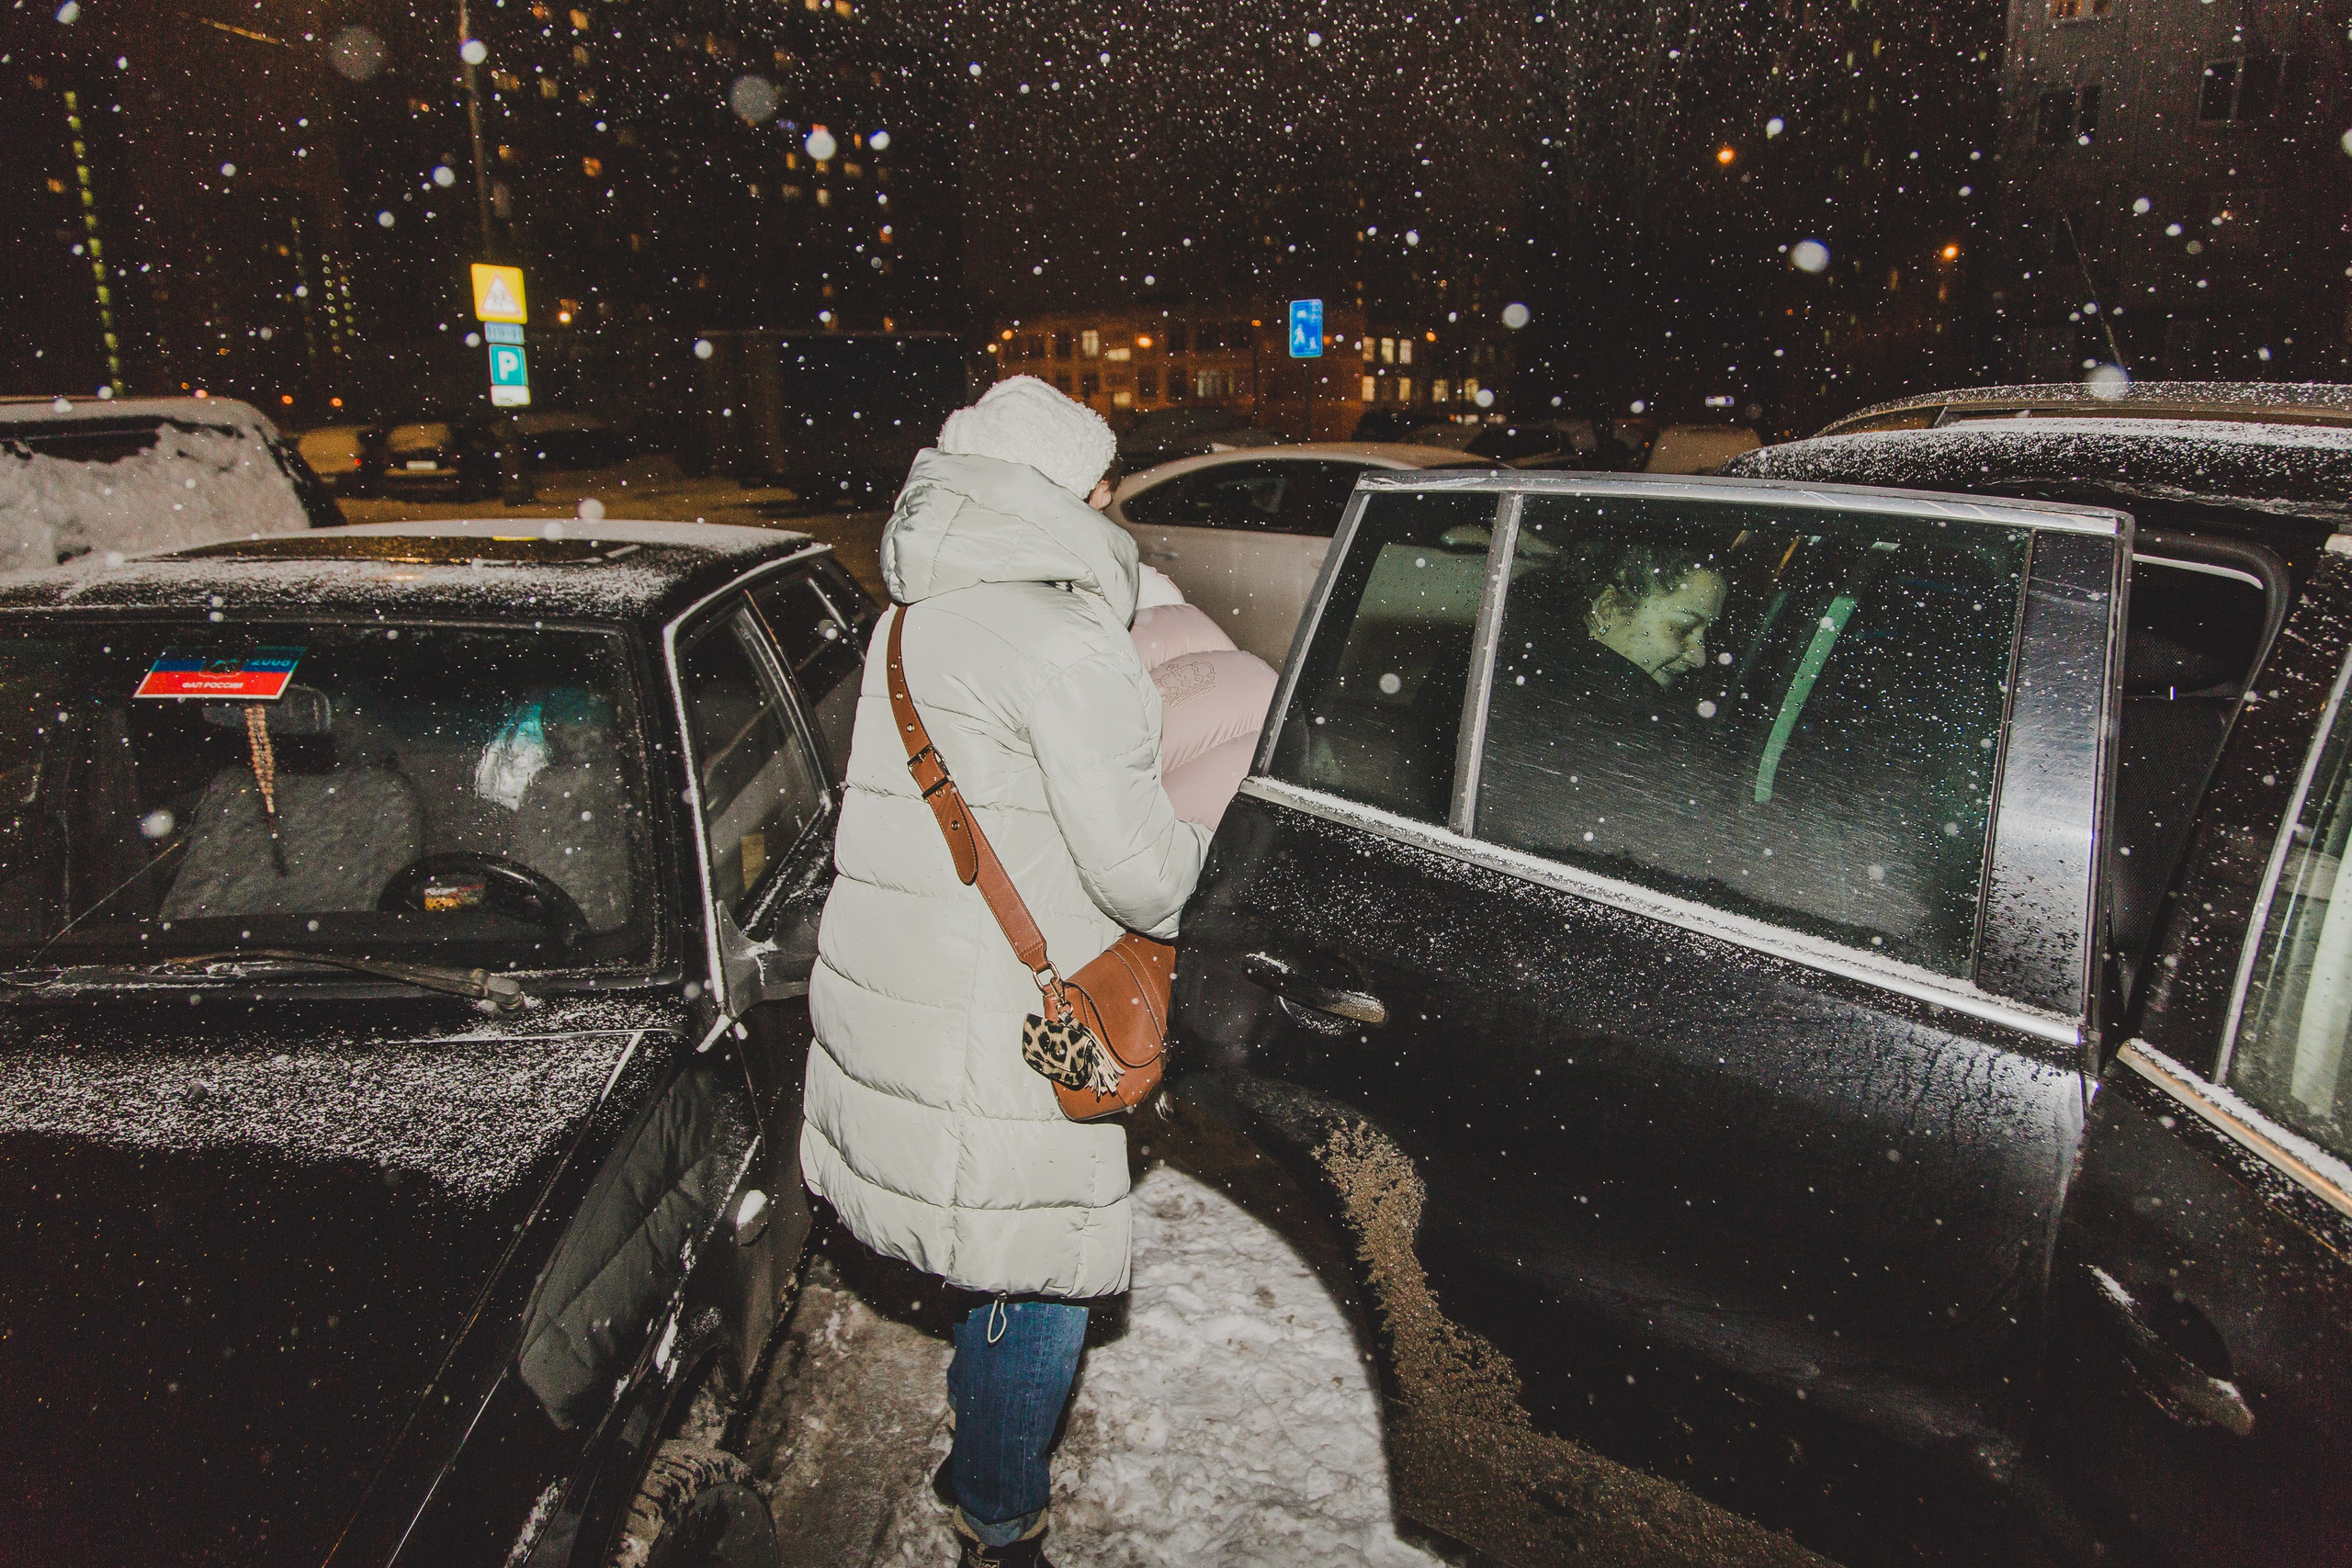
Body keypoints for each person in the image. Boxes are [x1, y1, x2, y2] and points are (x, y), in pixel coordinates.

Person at [801, 375, 1211, 1568]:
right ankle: (997, 1517)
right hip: (1011, 1016)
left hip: (912, 984)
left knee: (991, 1247)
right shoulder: (1060, 633)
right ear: (1061, 493)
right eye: (1102, 482)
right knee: (1041, 1277)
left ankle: (981, 1448)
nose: (1113, 500)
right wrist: (1214, 840)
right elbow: (1141, 874)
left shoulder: (909, 619)